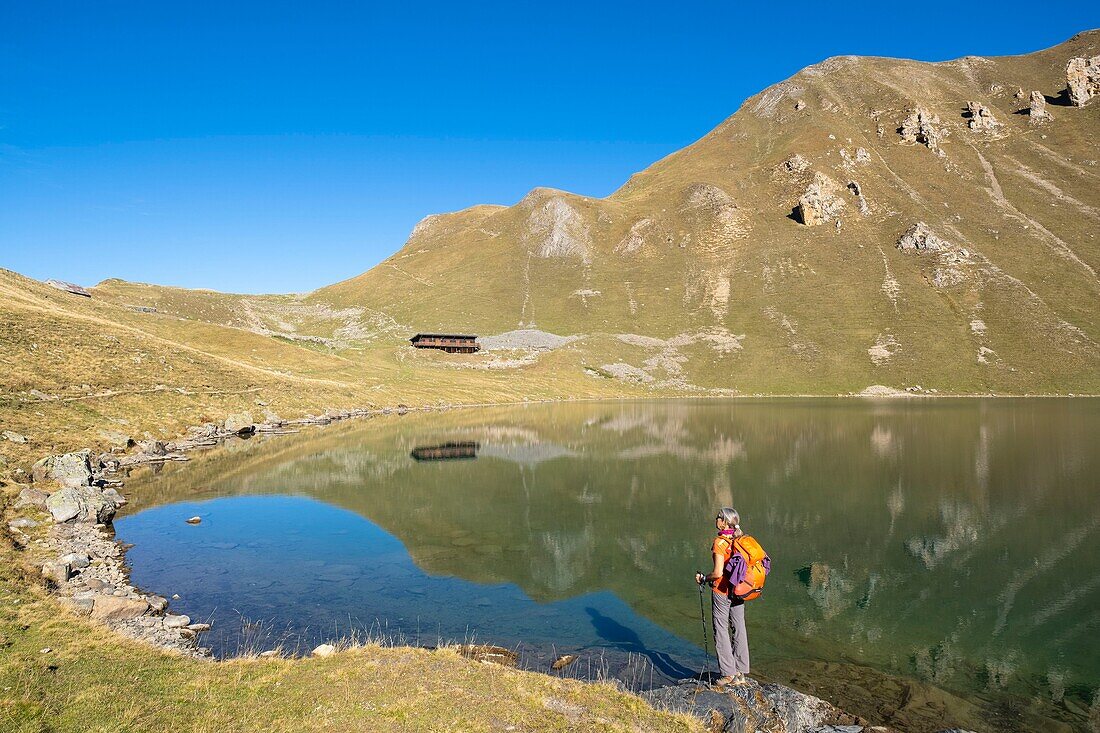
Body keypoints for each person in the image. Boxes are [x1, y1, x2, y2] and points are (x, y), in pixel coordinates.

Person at [695, 507, 750, 686]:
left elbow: (718, 573)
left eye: (718, 517)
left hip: (722, 591)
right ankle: (741, 672)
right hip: (739, 590)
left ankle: (728, 674)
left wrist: (704, 578)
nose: (716, 519)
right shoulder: (740, 539)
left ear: (725, 522)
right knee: (739, 627)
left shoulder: (720, 542)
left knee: (720, 628)